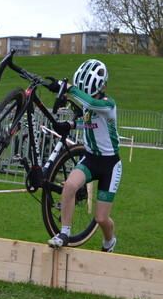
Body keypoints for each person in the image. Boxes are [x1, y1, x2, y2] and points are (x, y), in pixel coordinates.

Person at [46, 59, 121, 253]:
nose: (89, 95)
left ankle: (109, 241)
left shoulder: (108, 104)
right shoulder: (89, 103)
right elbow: (90, 124)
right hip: (90, 158)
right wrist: (70, 125)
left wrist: (67, 87)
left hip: (110, 164)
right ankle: (64, 233)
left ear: (103, 87)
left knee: (101, 218)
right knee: (70, 185)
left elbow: (91, 103)